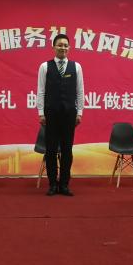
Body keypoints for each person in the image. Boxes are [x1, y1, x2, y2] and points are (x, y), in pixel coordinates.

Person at [36, 34, 84, 196]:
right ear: (54, 47)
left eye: (65, 45)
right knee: (50, 150)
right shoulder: (45, 66)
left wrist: (80, 112)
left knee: (67, 150)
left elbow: (80, 91)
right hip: (51, 114)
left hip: (69, 114)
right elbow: (41, 91)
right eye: (59, 45)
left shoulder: (76, 67)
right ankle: (52, 184)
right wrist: (41, 113)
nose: (63, 47)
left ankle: (64, 184)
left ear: (69, 48)